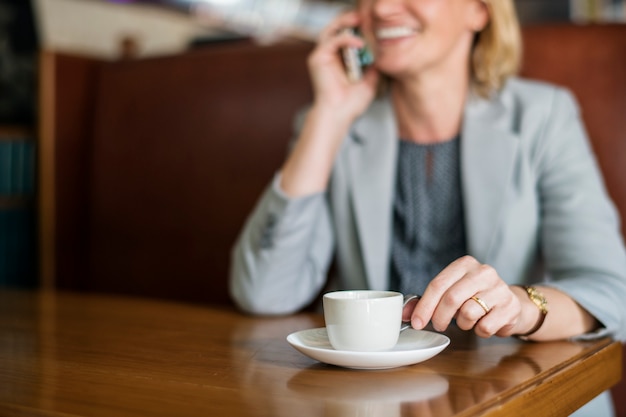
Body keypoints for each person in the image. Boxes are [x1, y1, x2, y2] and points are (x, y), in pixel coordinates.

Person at [230, 1, 626, 413]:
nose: (381, 9)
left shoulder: (544, 116)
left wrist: (520, 307)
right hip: (376, 399)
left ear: (479, 11)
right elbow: (264, 292)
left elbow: (612, 292)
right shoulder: (336, 123)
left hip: (511, 393)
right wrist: (328, 114)